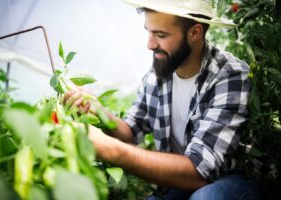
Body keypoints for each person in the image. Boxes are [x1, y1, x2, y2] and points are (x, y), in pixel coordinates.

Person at [64, 0, 261, 199]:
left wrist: (110, 149)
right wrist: (98, 111)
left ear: (195, 33)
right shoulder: (159, 73)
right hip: (179, 183)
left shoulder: (229, 76)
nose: (149, 44)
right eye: (149, 32)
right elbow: (131, 132)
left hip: (228, 181)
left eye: (161, 35)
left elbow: (199, 171)